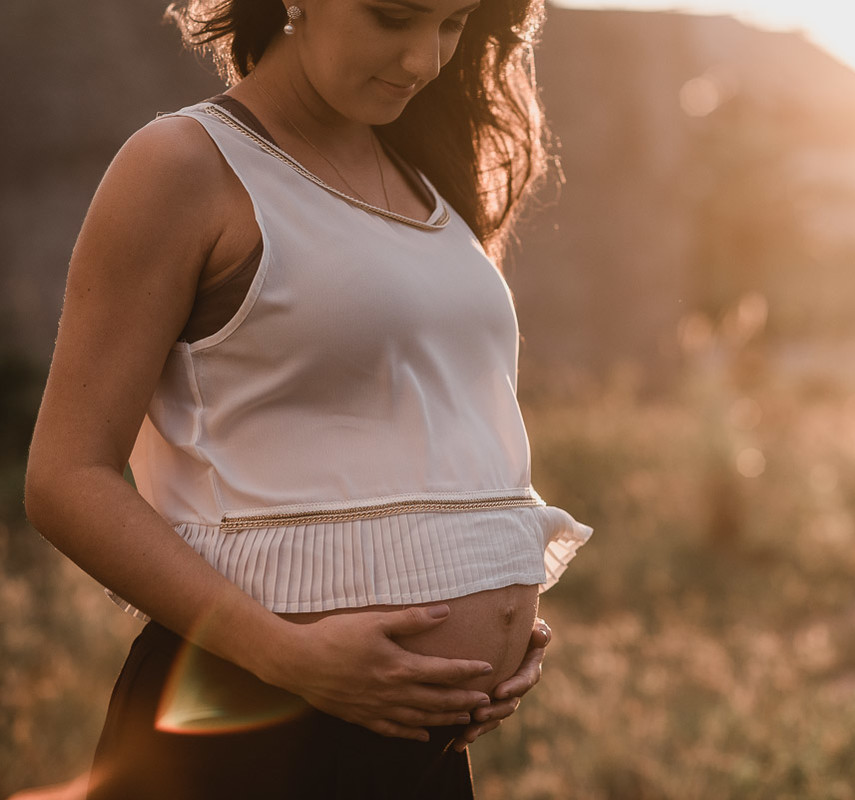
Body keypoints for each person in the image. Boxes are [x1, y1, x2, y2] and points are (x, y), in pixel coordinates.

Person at [22, 0, 591, 797]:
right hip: (249, 722)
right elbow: (64, 479)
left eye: (454, 23)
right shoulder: (185, 164)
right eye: (395, 16)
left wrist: (496, 615)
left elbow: (433, 436)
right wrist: (286, 655)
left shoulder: (426, 176)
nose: (426, 59)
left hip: (415, 747)